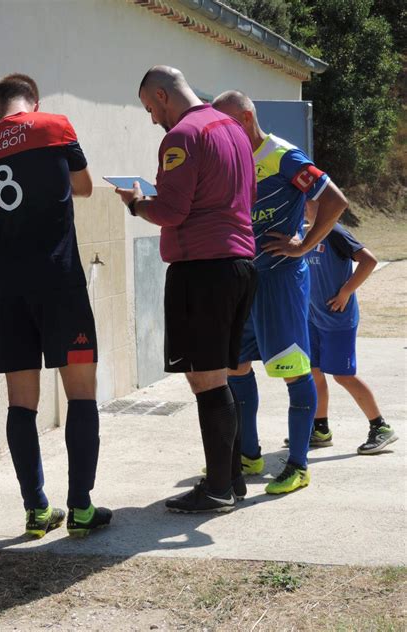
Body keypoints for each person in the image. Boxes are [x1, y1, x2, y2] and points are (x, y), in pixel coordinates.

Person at [0, 73, 111, 537]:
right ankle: (82, 510)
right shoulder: (54, 126)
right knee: (81, 393)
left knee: (20, 405)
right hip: (59, 281)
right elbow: (85, 186)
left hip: (7, 289)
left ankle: (35, 511)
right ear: (34, 100)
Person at [116, 66, 258, 513]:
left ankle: (217, 488)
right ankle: (230, 480)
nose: (152, 118)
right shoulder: (233, 129)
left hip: (203, 269)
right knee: (222, 375)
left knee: (205, 379)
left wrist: (137, 204)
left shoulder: (181, 137)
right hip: (238, 264)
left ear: (162, 95)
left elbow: (173, 210)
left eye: (150, 108)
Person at [212, 90, 348, 494]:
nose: (225, 133)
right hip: (243, 281)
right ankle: (249, 454)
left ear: (249, 116)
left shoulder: (284, 156)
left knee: (293, 370)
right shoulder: (232, 160)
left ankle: (298, 465)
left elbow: (335, 200)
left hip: (281, 281)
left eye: (230, 123)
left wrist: (304, 245)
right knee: (237, 366)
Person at [304, 203, 398, 453]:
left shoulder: (334, 232)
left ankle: (381, 427)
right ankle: (320, 429)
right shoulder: (303, 233)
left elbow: (369, 260)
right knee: (313, 371)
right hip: (312, 317)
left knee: (342, 375)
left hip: (337, 319)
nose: (303, 205)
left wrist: (346, 292)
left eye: (309, 200)